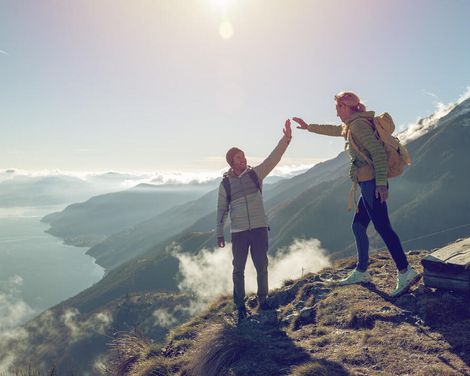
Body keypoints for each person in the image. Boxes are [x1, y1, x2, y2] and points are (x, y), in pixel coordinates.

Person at [293, 91, 419, 297]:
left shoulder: (358, 125)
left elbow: (378, 152)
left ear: (346, 107)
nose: (336, 113)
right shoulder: (354, 123)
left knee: (383, 227)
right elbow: (336, 130)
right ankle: (362, 271)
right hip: (367, 183)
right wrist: (309, 127)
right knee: (358, 226)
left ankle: (405, 271)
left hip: (372, 184)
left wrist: (380, 185)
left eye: (338, 108)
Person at [217, 120, 292, 321]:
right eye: (239, 158)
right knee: (238, 269)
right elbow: (222, 209)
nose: (243, 159)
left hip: (258, 228)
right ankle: (240, 306)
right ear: (231, 162)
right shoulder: (226, 184)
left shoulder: (255, 175)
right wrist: (219, 233)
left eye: (243, 156)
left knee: (261, 266)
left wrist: (286, 139)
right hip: (239, 232)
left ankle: (263, 300)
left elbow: (272, 159)